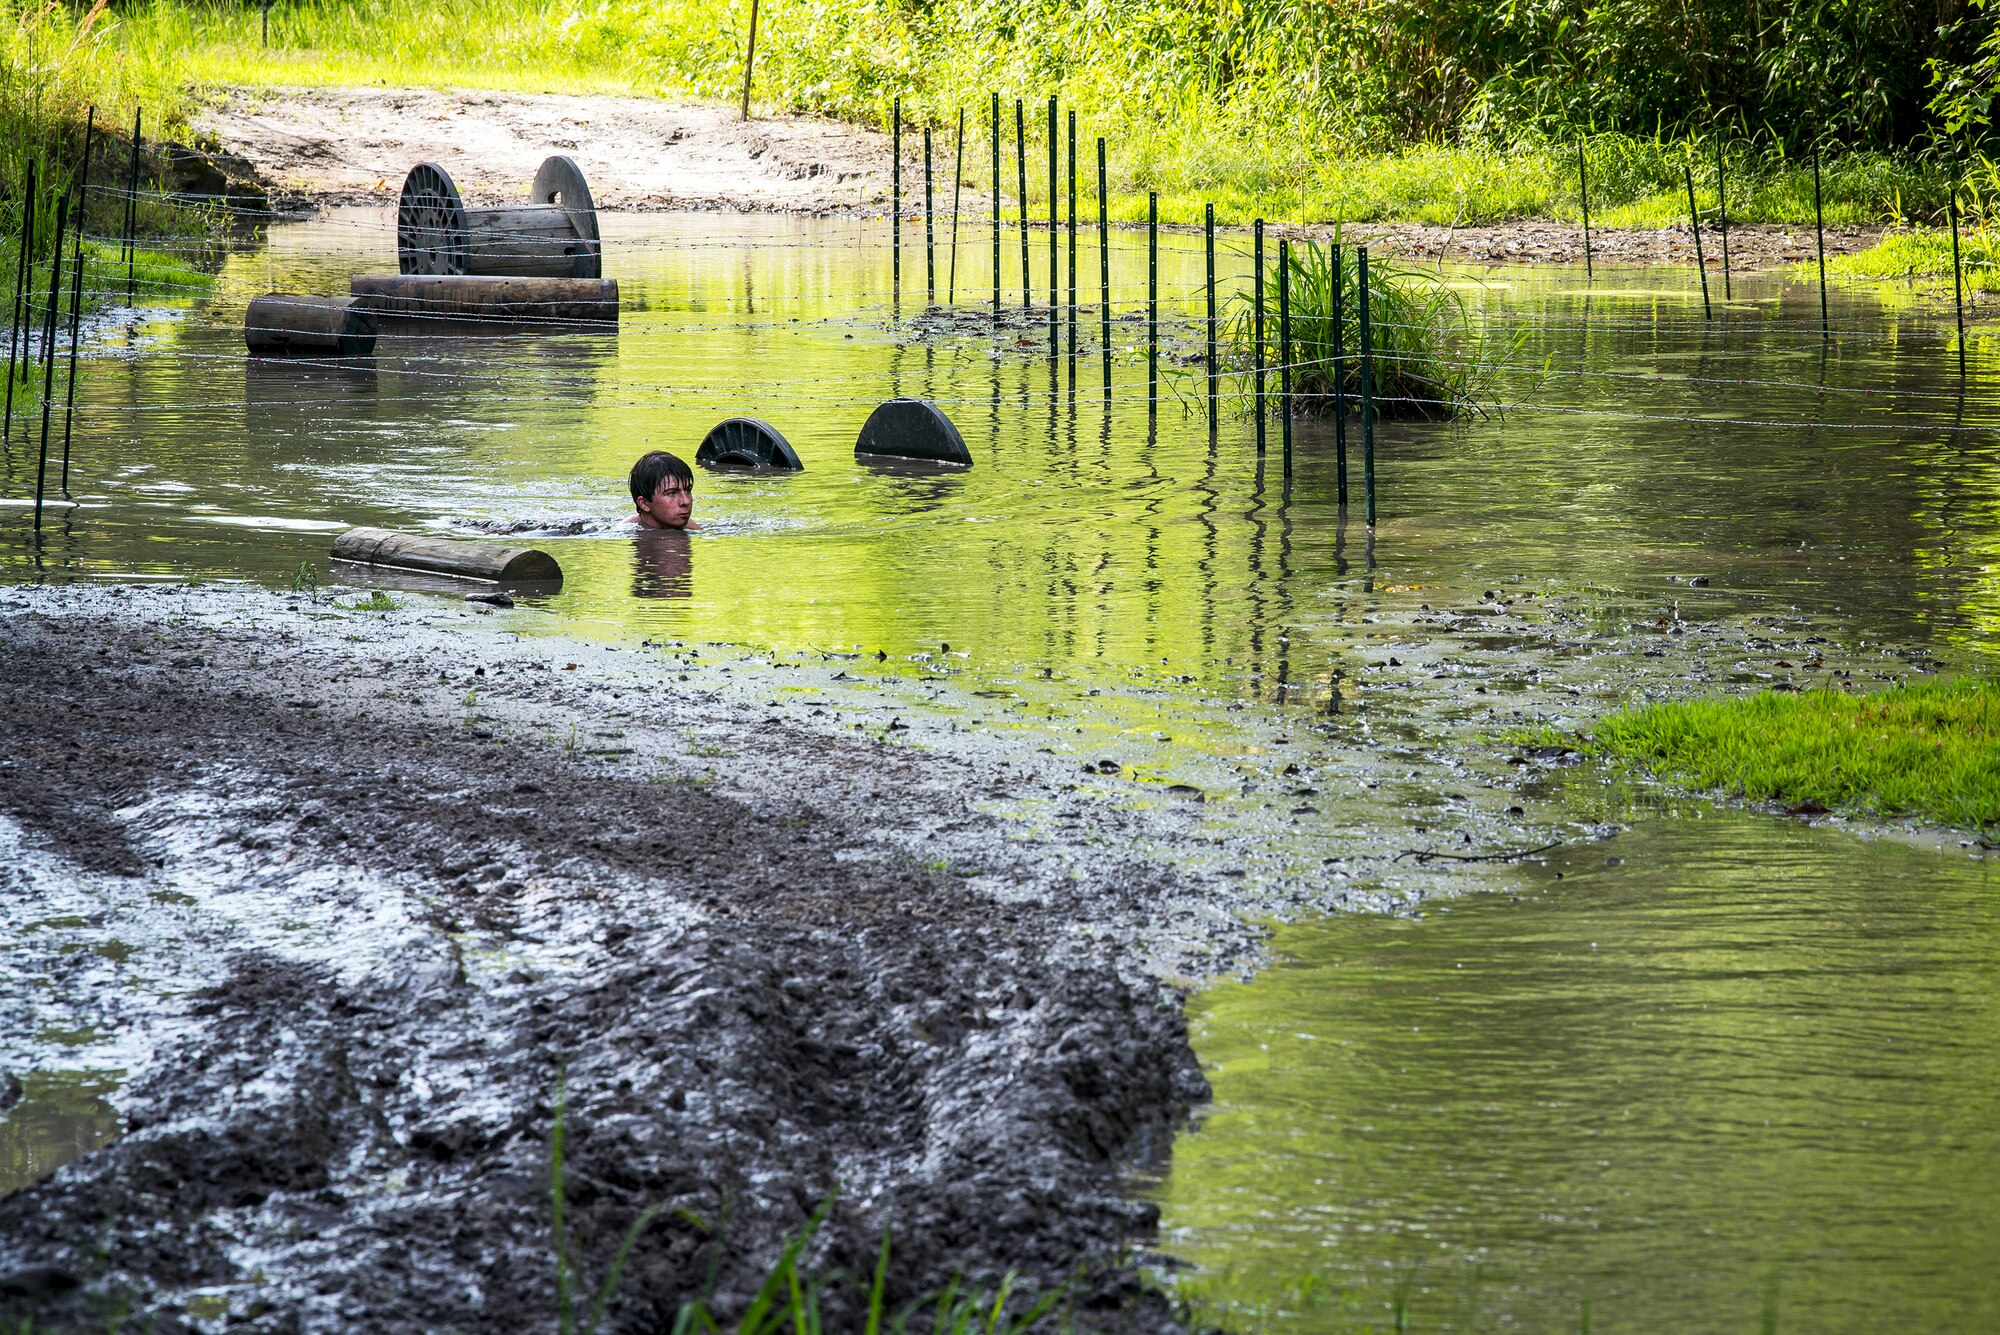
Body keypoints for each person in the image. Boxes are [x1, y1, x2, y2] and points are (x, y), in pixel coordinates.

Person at [624, 451, 700, 530]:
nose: (686, 501)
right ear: (644, 504)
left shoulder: (692, 527)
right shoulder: (625, 532)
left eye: (688, 490)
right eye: (671, 493)